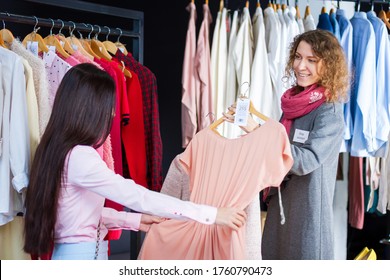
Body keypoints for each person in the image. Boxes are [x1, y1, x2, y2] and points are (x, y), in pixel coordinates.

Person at [23, 63, 247, 260]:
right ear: (90, 109)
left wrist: (134, 221)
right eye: (109, 106)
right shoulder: (81, 156)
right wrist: (212, 214)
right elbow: (137, 195)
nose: (112, 114)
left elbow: (79, 215)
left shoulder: (56, 149)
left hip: (73, 254)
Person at [224, 29, 349, 259]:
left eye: (312, 60)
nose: (301, 66)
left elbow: (305, 161)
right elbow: (279, 148)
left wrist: (259, 131)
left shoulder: (329, 111)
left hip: (307, 219)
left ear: (329, 66)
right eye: (298, 57)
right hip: (280, 211)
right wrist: (253, 128)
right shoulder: (292, 105)